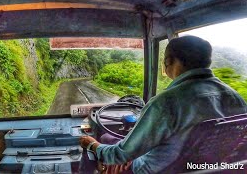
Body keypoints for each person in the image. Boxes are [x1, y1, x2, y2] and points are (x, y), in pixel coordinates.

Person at [79, 35, 247, 173]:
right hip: (205, 168)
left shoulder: (166, 102)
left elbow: (120, 154)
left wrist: (91, 144)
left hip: (157, 169)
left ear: (168, 62)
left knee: (101, 141)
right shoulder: (235, 97)